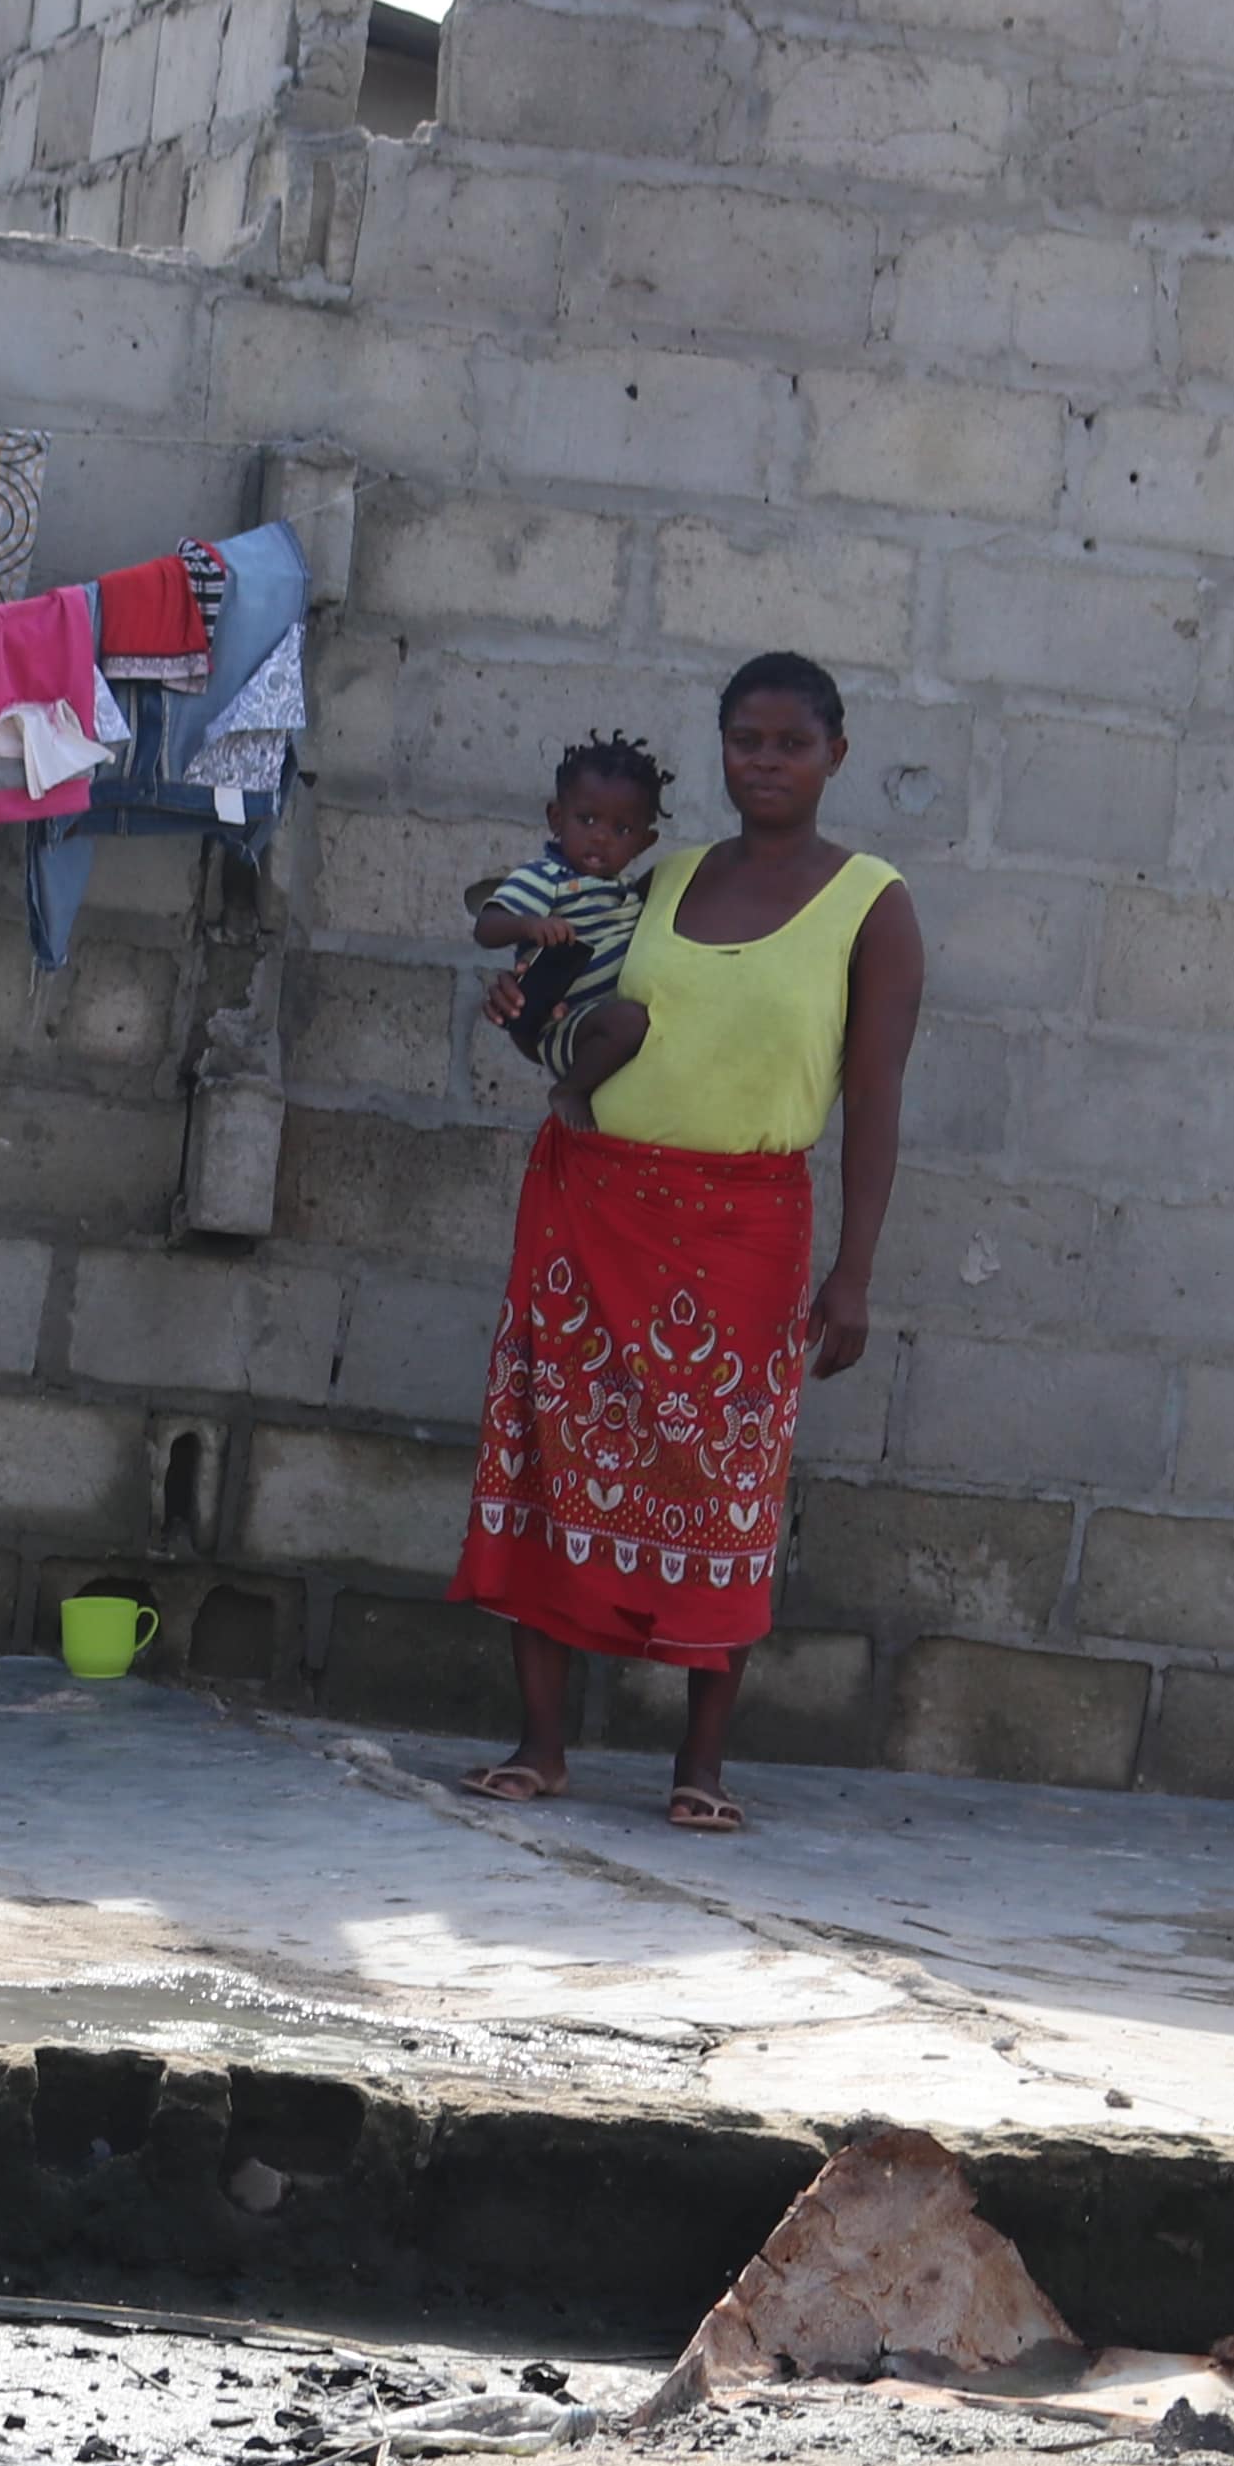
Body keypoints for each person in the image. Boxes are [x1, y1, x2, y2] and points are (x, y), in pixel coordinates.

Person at [445, 650, 923, 1834]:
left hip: (746, 1230)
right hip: (590, 1204)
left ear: (835, 756)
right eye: (745, 742)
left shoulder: (874, 903)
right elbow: (571, 1019)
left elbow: (874, 1102)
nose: (764, 763)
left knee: (725, 1485)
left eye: (790, 744)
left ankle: (699, 1765)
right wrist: (518, 1016)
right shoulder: (661, 881)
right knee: (556, 1458)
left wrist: (852, 1273)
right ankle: (542, 1745)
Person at [465, 732, 665, 1100]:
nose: (601, 837)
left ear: (642, 843)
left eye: (621, 829)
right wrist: (530, 925)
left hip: (607, 1032)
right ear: (557, 818)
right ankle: (571, 1092)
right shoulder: (546, 878)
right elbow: (486, 927)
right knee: (629, 1021)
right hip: (563, 1027)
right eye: (587, 820)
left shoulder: (629, 892)